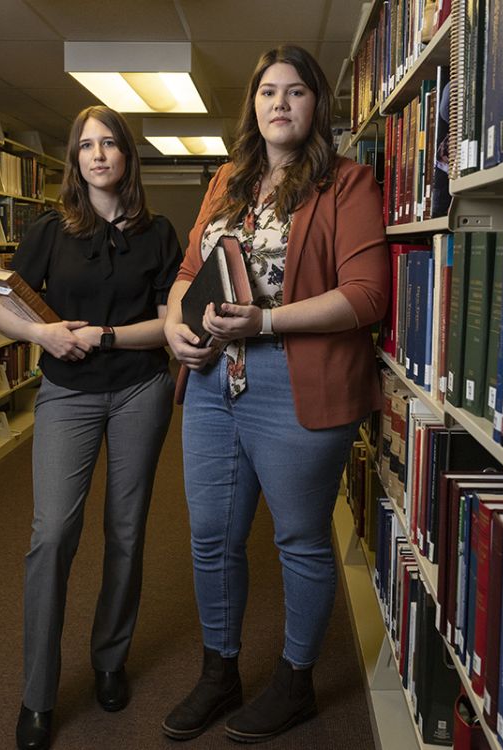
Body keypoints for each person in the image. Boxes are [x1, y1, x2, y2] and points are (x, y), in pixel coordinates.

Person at [161, 45, 389, 744]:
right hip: (211, 384)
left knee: (298, 540)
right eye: (267, 92)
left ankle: (295, 683)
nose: (280, 103)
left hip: (294, 384)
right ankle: (220, 671)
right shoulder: (227, 181)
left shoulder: (347, 183)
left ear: (316, 104)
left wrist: (263, 321)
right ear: (253, 106)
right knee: (211, 536)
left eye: (295, 91)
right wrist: (173, 327)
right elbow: (187, 271)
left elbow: (367, 295)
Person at [0, 105, 182, 750]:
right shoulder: (50, 230)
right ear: (75, 159)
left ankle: (109, 659)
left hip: (140, 390)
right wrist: (42, 333)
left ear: (127, 154)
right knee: (52, 535)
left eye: (109, 143)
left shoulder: (159, 234)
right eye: (86, 146)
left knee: (126, 530)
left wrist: (105, 335)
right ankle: (37, 694)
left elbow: (170, 326)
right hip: (67, 393)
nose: (98, 155)